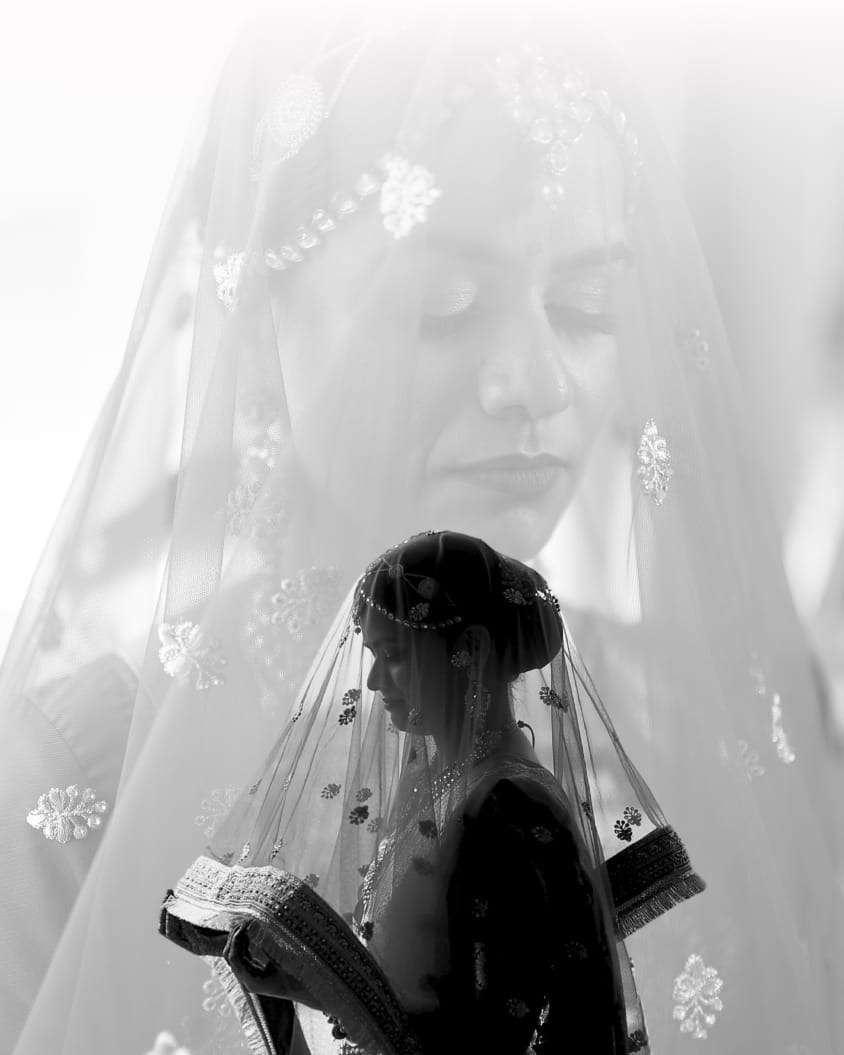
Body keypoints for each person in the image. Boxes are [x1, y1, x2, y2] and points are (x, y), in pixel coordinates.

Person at [2, 4, 842, 1053]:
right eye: (446, 304)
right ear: (261, 311)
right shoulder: (78, 777)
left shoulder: (698, 731)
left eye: (586, 305)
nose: (536, 384)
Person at [162, 530, 703, 1054]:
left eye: (394, 654)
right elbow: (420, 1004)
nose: (375, 682)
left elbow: (489, 1036)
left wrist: (327, 988)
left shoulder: (507, 806)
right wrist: (303, 985)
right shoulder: (445, 789)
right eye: (374, 656)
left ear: (470, 649)